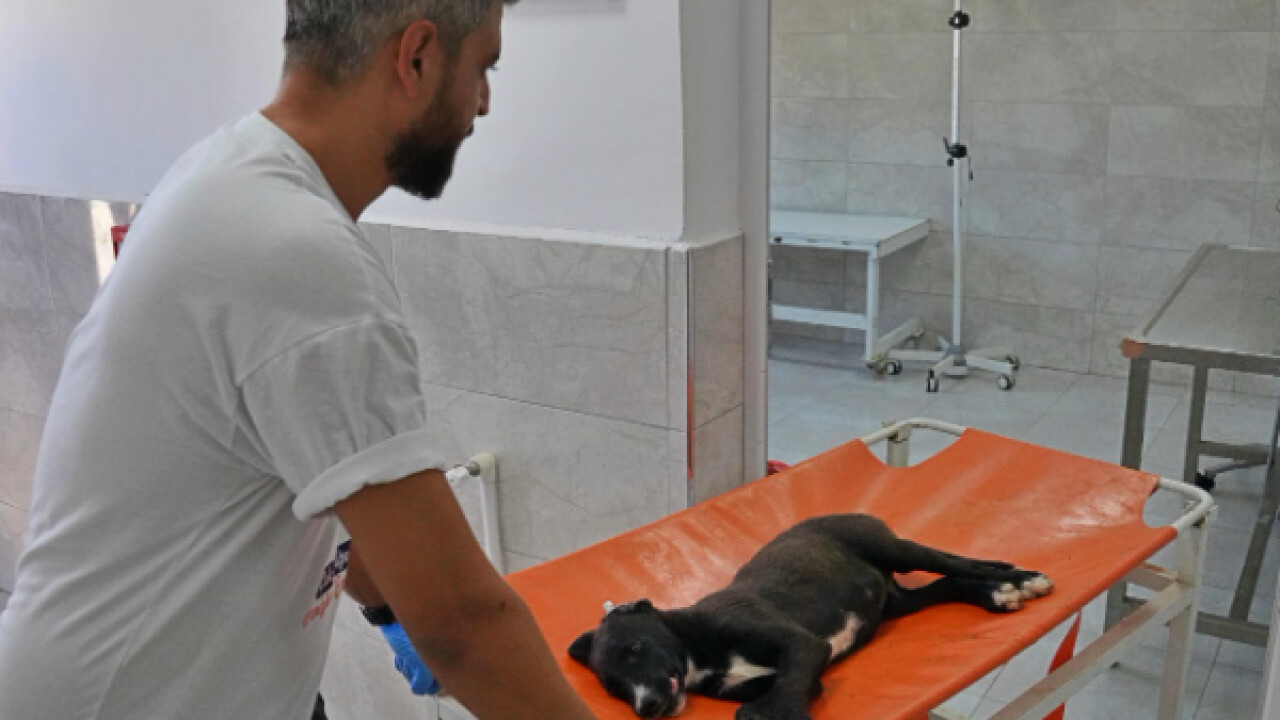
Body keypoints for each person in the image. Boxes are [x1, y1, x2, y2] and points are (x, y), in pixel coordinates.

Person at [0, 1, 598, 719]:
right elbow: (462, 624)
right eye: (482, 67)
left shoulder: (234, 175)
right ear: (416, 57)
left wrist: (389, 612)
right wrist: (429, 627)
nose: (484, 101)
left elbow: (340, 476)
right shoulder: (299, 258)